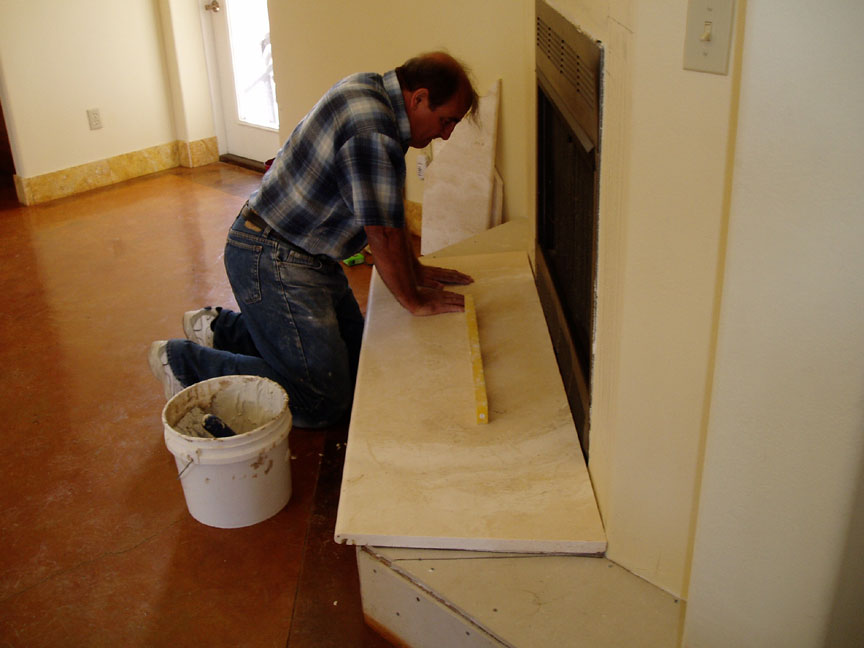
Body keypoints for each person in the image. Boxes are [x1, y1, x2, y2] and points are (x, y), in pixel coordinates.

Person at [148, 52, 479, 428]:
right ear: (419, 98)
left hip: (301, 254)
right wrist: (414, 300)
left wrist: (415, 269)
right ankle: (183, 362)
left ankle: (218, 329)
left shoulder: (369, 87)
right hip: (272, 258)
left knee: (358, 368)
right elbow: (382, 234)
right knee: (320, 399)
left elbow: (388, 213)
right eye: (446, 120)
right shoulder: (373, 130)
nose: (447, 133)